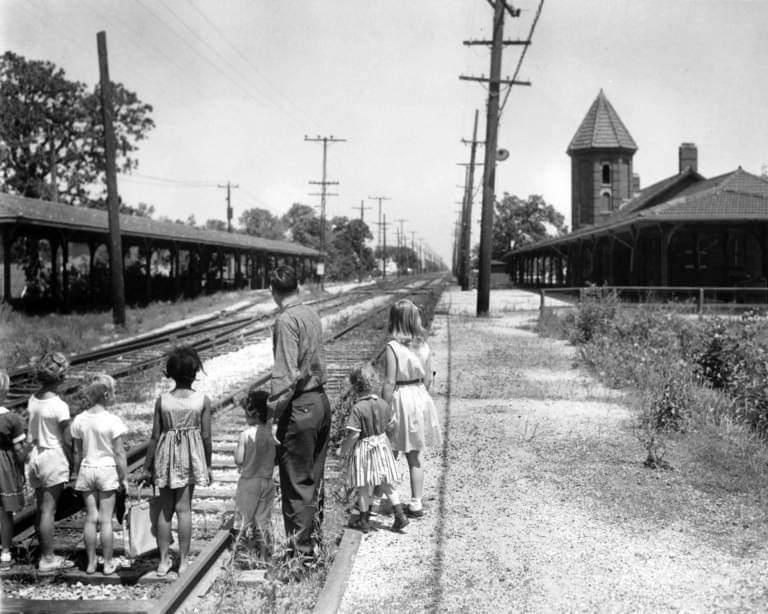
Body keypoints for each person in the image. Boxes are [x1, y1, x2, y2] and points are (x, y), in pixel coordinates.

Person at [268, 264, 331, 559]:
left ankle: (300, 557)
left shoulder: (286, 320)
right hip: (320, 402)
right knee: (313, 479)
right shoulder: (310, 313)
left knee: (295, 483)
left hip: (301, 407)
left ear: (273, 292)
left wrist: (273, 415)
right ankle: (313, 543)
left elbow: (285, 376)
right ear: (299, 287)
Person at [140, 346, 212, 576]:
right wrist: (207, 464)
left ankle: (163, 561)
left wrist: (147, 467)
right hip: (189, 457)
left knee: (165, 510)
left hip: (165, 456)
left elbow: (154, 436)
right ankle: (183, 562)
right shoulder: (202, 400)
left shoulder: (163, 401)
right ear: (194, 372)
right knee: (184, 509)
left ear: (170, 373)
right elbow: (206, 436)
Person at [383, 299, 442, 518]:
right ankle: (416, 502)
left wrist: (384, 407)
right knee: (415, 455)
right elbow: (428, 380)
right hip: (419, 397)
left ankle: (383, 498)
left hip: (400, 397)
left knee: (389, 452)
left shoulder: (393, 347)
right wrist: (420, 394)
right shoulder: (424, 346)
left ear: (395, 321)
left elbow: (389, 382)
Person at [339, 364, 408, 533]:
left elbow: (354, 435)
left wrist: (343, 449)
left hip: (365, 448)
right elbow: (392, 425)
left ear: (355, 386)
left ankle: (363, 521)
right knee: (387, 483)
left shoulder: (358, 408)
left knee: (363, 485)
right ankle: (400, 515)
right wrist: (387, 441)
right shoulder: (383, 404)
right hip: (382, 445)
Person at [70, 374, 128, 575]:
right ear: (106, 394)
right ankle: (108, 563)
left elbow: (76, 452)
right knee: (105, 520)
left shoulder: (79, 420)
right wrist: (123, 477)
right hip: (106, 470)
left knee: (91, 518)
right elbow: (119, 453)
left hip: (87, 469)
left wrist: (77, 473)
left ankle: (91, 563)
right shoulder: (112, 420)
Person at [27, 351, 75, 572]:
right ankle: (47, 558)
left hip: (35, 456)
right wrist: (74, 463)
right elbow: (66, 440)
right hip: (53, 457)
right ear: (62, 377)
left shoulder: (33, 400)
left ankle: (43, 551)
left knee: (41, 508)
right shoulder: (59, 406)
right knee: (49, 510)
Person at [234, 387, 276, 559]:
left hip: (248, 483)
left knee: (243, 520)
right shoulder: (271, 434)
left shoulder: (245, 434)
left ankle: (241, 553)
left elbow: (239, 459)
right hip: (267, 481)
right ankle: (265, 554)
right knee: (262, 520)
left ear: (254, 414)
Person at [0, 370, 28, 569]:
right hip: (4, 468)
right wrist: (22, 468)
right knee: (4, 512)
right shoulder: (12, 420)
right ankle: (5, 552)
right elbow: (19, 451)